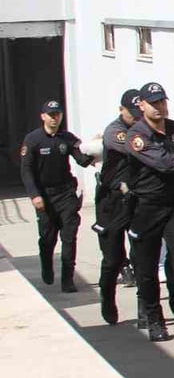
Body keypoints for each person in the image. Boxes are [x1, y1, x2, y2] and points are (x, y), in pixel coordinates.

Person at [126, 82, 174, 345]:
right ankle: (154, 318)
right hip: (146, 206)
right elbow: (165, 164)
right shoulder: (137, 135)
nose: (159, 107)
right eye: (154, 103)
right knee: (146, 266)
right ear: (142, 105)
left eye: (162, 102)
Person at [21, 99, 95, 292]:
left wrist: (95, 148)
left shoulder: (67, 138)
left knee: (69, 236)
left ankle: (68, 278)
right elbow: (26, 170)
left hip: (66, 194)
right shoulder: (33, 139)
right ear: (43, 116)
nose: (55, 118)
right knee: (48, 238)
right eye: (51, 115)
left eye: (58, 115)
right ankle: (47, 265)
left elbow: (82, 159)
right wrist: (34, 195)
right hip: (45, 196)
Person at [94, 89, 141, 324]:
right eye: (131, 113)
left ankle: (146, 310)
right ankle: (107, 297)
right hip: (111, 201)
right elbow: (136, 147)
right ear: (121, 110)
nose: (136, 117)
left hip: (135, 198)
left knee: (142, 254)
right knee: (113, 257)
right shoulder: (115, 132)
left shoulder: (143, 128)